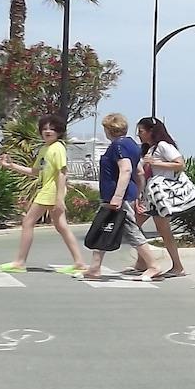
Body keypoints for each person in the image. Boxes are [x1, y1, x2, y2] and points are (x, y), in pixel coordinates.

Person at [0, 115, 85, 274]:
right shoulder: (45, 149)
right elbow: (35, 171)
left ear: (59, 131)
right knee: (61, 226)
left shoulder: (58, 148)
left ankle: (20, 262)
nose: (48, 131)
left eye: (52, 129)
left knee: (28, 221)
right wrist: (11, 165)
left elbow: (62, 172)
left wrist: (59, 199)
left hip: (51, 190)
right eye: (44, 129)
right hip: (49, 190)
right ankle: (79, 262)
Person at [83, 113, 159, 280]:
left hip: (117, 197)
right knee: (103, 227)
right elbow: (139, 172)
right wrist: (137, 194)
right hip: (123, 196)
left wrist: (117, 197)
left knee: (131, 231)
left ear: (108, 130)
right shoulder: (131, 145)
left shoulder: (118, 146)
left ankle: (153, 266)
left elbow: (126, 170)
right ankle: (94, 268)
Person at [134, 115, 189, 281]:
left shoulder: (163, 146)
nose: (139, 135)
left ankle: (177, 266)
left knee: (163, 230)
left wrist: (155, 163)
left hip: (160, 194)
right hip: (150, 195)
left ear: (151, 131)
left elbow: (180, 164)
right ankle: (142, 263)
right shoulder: (149, 149)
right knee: (134, 225)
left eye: (141, 131)